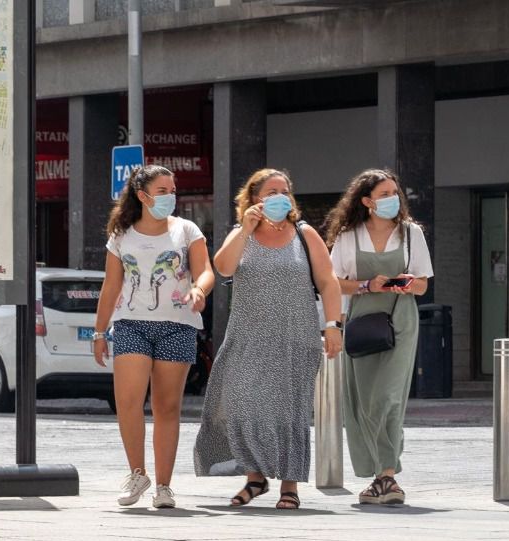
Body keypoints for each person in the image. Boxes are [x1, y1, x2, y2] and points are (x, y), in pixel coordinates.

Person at [194, 168, 342, 510]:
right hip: (248, 336)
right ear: (253, 198)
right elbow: (224, 268)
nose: (280, 196)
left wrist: (332, 325)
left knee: (289, 412)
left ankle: (289, 485)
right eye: (272, 191)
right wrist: (245, 228)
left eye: (285, 191)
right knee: (243, 404)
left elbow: (329, 281)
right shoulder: (240, 234)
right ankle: (255, 476)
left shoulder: (304, 234)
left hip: (295, 336)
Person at [92, 164, 214, 509]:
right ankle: (137, 473)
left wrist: (198, 289)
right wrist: (100, 331)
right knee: (129, 402)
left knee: (166, 407)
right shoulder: (121, 235)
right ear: (143, 196)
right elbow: (111, 285)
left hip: (178, 324)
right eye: (162, 191)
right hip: (131, 323)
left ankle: (163, 486)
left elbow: (206, 270)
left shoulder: (186, 230)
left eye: (172, 190)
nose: (170, 196)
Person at [324, 168, 433, 506]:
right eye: (384, 194)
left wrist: (405, 282)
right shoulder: (348, 236)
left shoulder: (412, 234)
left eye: (394, 192)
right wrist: (365, 286)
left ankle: (387, 474)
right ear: (367, 201)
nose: (392, 199)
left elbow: (423, 284)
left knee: (388, 397)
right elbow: (331, 282)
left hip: (400, 318)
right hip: (362, 319)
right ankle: (379, 478)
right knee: (364, 401)